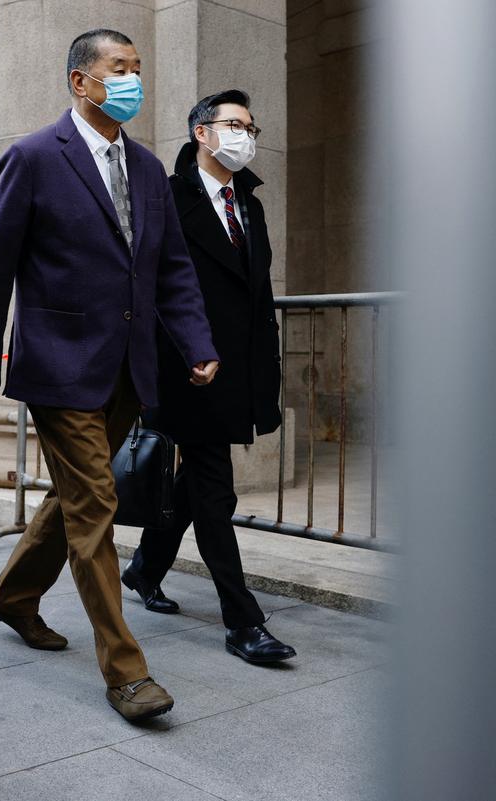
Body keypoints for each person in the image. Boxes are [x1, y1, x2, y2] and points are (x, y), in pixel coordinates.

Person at [0, 28, 220, 723]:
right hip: (58, 364)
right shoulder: (33, 156)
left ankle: (13, 596)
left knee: (77, 495)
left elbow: (172, 267)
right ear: (80, 80)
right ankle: (127, 671)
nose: (132, 79)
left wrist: (195, 342)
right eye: (119, 68)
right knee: (94, 507)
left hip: (127, 367)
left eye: (137, 68)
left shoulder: (146, 167)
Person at [122, 90, 297, 665]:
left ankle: (144, 569)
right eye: (235, 124)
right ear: (202, 132)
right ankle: (243, 621)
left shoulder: (250, 203)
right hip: (187, 367)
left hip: (238, 369)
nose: (246, 135)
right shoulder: (168, 197)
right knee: (215, 489)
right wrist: (180, 351)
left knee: (193, 486)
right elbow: (151, 284)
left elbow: (258, 295)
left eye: (251, 127)